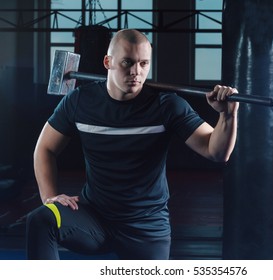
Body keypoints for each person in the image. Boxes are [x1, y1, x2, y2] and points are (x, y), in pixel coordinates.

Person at [26, 29, 239, 260]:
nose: (136, 72)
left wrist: (227, 116)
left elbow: (215, 151)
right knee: (41, 219)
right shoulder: (79, 101)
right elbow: (44, 149)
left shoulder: (167, 106)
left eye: (143, 63)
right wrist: (50, 196)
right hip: (93, 218)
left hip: (146, 228)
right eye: (127, 63)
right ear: (108, 62)